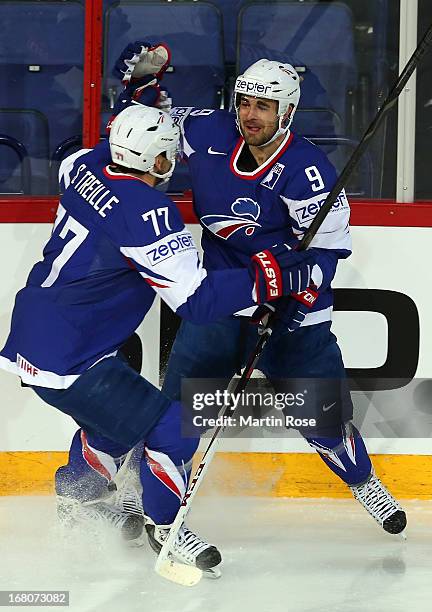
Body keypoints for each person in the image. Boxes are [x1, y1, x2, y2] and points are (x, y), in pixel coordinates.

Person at [0, 100, 312, 573]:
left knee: (111, 423)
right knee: (170, 428)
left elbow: (83, 165)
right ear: (158, 161)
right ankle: (165, 527)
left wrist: (143, 95)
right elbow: (198, 302)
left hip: (38, 333)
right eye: (170, 154)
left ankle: (76, 502)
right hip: (72, 353)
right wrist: (270, 276)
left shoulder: (84, 165)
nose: (175, 163)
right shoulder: (148, 212)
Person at [110, 43, 407, 537]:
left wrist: (296, 307)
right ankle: (138, 490)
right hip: (221, 299)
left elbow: (326, 257)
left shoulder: (309, 173)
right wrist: (139, 91)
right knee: (176, 410)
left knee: (326, 422)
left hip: (291, 312)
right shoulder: (208, 130)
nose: (249, 115)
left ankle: (364, 482)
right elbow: (148, 125)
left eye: (263, 106)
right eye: (244, 102)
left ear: (287, 111)